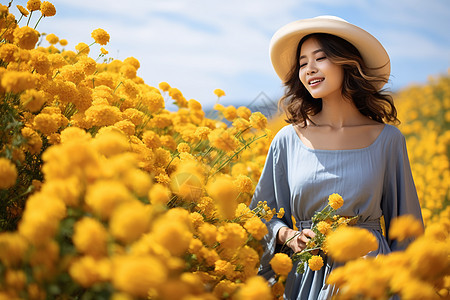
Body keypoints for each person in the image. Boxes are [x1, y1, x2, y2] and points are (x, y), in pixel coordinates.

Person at [250, 16, 423, 299]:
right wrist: (288, 236)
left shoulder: (388, 140)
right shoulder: (287, 140)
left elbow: (406, 230)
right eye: (303, 63)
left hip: (371, 279)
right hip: (306, 277)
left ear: (346, 63)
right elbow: (261, 216)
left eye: (320, 58)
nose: (310, 69)